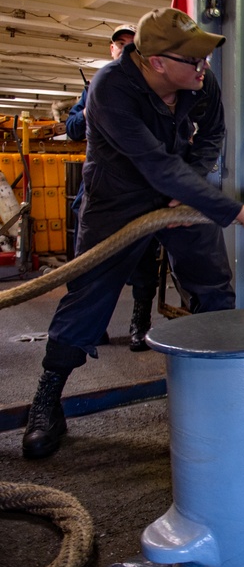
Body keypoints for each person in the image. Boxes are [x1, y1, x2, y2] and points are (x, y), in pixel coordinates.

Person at [22, 7, 244, 460]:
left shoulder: (200, 81)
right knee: (88, 295)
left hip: (180, 189)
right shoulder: (111, 88)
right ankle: (47, 401)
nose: (204, 67)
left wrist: (192, 187)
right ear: (156, 61)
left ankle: (220, 393)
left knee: (214, 289)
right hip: (118, 197)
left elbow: (212, 135)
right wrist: (236, 212)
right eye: (193, 59)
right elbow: (154, 165)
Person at [66, 23, 161, 353]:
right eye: (120, 43)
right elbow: (73, 128)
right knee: (89, 265)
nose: (125, 48)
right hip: (101, 189)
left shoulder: (149, 88)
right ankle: (91, 328)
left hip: (140, 190)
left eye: (131, 44)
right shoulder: (96, 86)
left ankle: (139, 325)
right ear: (111, 49)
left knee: (144, 265)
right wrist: (95, 106)